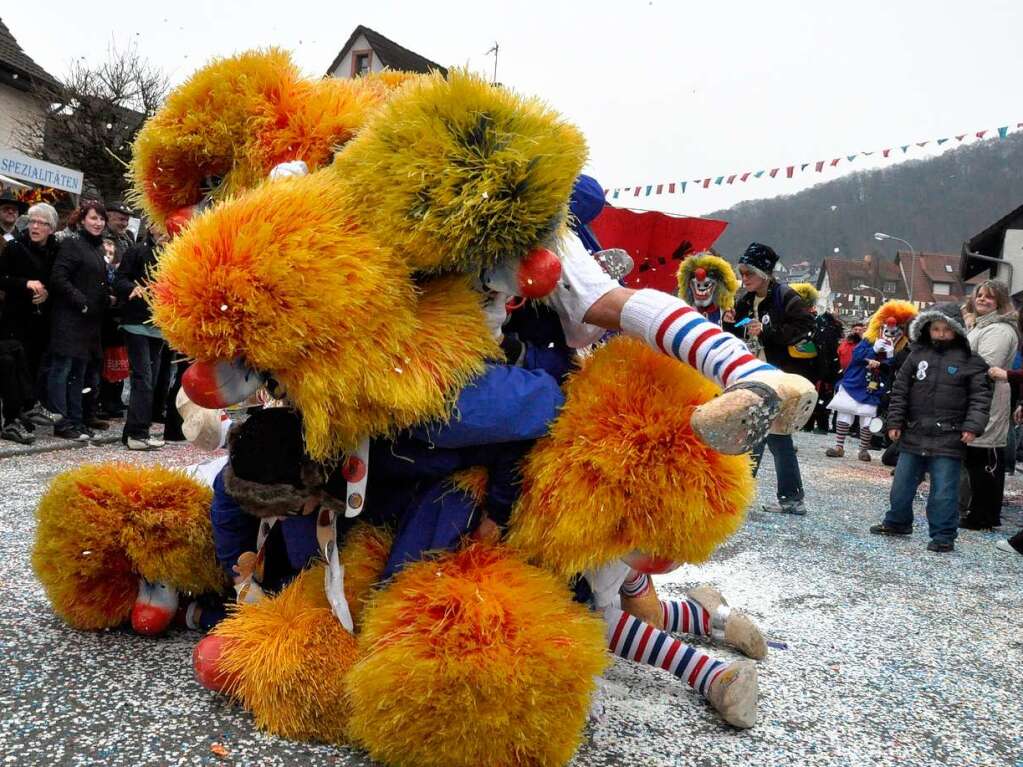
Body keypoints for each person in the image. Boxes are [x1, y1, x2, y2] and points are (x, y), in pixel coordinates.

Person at [870, 303, 991, 552]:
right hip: (914, 431)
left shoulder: (972, 361)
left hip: (950, 435)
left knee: (944, 491)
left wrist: (972, 426)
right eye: (936, 329)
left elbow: (980, 397)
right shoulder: (916, 356)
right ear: (927, 329)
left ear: (957, 331)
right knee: (901, 484)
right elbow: (900, 391)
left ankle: (944, 534)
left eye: (947, 330)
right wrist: (894, 422)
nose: (941, 334)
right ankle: (898, 521)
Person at [724, 242, 815, 515]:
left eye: (748, 273)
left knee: (770, 434)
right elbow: (737, 332)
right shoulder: (746, 300)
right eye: (741, 273)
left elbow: (806, 327)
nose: (744, 278)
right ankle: (782, 497)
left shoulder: (785, 296)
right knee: (759, 433)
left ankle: (780, 497)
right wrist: (729, 323)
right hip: (754, 373)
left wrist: (766, 332)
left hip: (780, 375)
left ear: (764, 273)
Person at [47, 200, 112, 440]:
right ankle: (60, 420)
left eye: (101, 219)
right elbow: (59, 278)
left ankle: (75, 419)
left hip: (89, 323)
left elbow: (96, 282)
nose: (98, 223)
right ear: (83, 219)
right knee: (62, 370)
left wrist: (107, 298)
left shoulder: (97, 249)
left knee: (79, 373)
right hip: (69, 319)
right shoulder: (73, 245)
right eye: (93, 218)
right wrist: (81, 301)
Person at [825, 301, 916, 461]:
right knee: (845, 411)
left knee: (867, 416)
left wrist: (886, 359)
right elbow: (857, 356)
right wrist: (873, 350)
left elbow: (895, 368)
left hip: (873, 386)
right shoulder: (867, 341)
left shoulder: (899, 349)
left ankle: (863, 449)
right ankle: (839, 446)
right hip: (855, 381)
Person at [961, 280, 1018, 530]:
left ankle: (984, 514)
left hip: (989, 397)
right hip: (978, 397)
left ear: (1000, 302)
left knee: (986, 458)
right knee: (976, 457)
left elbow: (985, 365)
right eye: (980, 295)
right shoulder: (982, 326)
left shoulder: (999, 330)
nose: (982, 300)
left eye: (989, 297)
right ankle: (979, 510)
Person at [0, 203, 60, 424]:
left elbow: (58, 281)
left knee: (34, 365)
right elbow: (2, 278)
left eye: (41, 223)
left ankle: (29, 411)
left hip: (41, 318)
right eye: (32, 222)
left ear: (51, 228)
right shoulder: (15, 247)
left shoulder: (56, 250)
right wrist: (25, 283)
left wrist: (47, 293)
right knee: (15, 365)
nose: (35, 227)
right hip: (15, 317)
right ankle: (13, 416)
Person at [114, 223, 169, 449]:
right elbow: (119, 279)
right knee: (143, 378)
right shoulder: (137, 251)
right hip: (136, 323)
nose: (165, 230)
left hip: (158, 325)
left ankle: (135, 431)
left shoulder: (175, 253)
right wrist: (131, 288)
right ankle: (137, 433)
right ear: (151, 226)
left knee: (151, 380)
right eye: (161, 224)